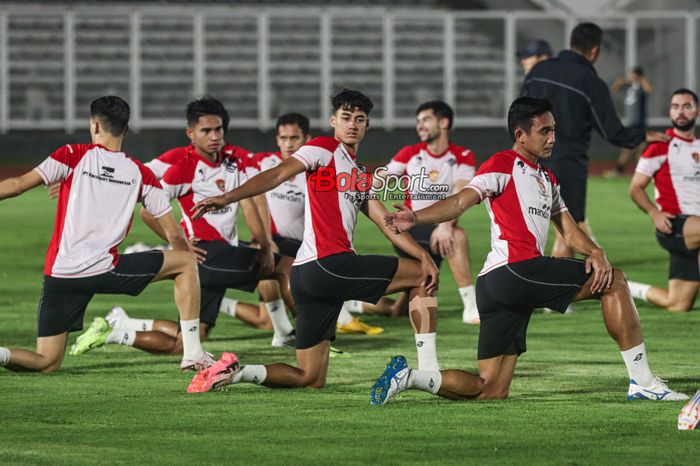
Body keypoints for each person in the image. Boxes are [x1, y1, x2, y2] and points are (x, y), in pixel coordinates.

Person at [372, 97, 688, 404]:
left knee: (491, 388)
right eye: (544, 131)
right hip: (516, 270)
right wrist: (416, 217)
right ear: (520, 135)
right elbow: (460, 201)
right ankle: (644, 382)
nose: (552, 138)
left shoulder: (547, 178)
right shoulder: (502, 163)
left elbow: (567, 226)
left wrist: (594, 250)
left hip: (496, 286)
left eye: (553, 130)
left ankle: (409, 377)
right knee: (615, 282)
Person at [187, 89, 444, 393]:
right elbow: (278, 174)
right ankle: (430, 373)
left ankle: (234, 372)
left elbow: (386, 223)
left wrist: (421, 254)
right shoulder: (322, 148)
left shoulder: (359, 175)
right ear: (333, 120)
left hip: (306, 276)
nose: (352, 125)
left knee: (309, 377)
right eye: (346, 118)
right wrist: (227, 197)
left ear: (366, 126)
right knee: (420, 277)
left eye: (359, 120)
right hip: (330, 264)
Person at [69, 97, 296, 358]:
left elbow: (251, 200)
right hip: (208, 254)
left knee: (185, 341)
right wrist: (182, 244)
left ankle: (116, 330)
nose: (214, 136)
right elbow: (147, 210)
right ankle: (308, 340)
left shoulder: (234, 159)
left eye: (218, 129)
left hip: (220, 255)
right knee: (286, 266)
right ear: (191, 134)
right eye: (206, 131)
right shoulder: (183, 166)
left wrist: (265, 242)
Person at [0, 96, 212, 373]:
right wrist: (185, 252)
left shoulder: (71, 155)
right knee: (185, 262)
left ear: (95, 125)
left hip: (62, 274)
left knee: (46, 361)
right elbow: (174, 234)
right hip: (106, 270)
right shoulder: (141, 173)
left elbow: (16, 185)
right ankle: (193, 353)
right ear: (126, 129)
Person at [521, 22, 669, 261]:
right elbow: (612, 132)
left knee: (525, 229)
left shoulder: (538, 70)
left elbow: (518, 112)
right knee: (565, 231)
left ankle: (521, 289)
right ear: (595, 51)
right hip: (566, 164)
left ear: (571, 43)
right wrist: (643, 134)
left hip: (527, 161)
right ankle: (559, 298)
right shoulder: (592, 83)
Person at [245, 113, 383, 336]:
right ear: (277, 139)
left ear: (306, 138)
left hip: (307, 245)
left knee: (265, 317)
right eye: (284, 138)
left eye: (295, 138)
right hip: (276, 242)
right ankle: (294, 332)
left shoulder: (316, 166)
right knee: (264, 254)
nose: (289, 144)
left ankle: (328, 321)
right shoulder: (262, 163)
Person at [377, 100, 479, 324]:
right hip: (409, 228)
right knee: (457, 236)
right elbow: (378, 181)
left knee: (403, 308)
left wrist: (444, 225)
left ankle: (360, 305)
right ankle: (471, 307)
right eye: (418, 121)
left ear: (443, 122)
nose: (419, 126)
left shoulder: (463, 156)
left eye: (425, 120)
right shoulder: (409, 154)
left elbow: (461, 194)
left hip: (439, 228)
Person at [627, 89, 700, 312]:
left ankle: (626, 287)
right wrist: (654, 213)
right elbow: (635, 188)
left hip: (694, 232)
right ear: (670, 112)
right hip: (673, 224)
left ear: (696, 111)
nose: (680, 111)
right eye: (675, 106)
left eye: (686, 106)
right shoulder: (660, 146)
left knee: (677, 304)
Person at [605, 67, 654, 177]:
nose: (630, 76)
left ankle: (627, 171)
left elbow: (650, 89)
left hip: (639, 122)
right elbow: (615, 86)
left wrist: (641, 79)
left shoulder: (641, 87)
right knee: (633, 147)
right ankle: (635, 171)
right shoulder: (630, 87)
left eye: (632, 74)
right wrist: (625, 80)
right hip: (631, 122)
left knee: (637, 147)